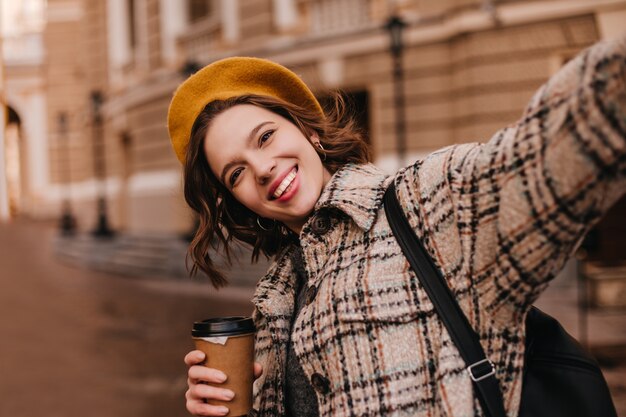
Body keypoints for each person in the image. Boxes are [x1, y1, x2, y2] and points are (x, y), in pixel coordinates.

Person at [167, 34, 626, 417]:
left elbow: (558, 146)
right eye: (237, 173)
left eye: (266, 137)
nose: (263, 168)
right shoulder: (274, 301)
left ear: (308, 130)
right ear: (239, 202)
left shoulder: (429, 203)